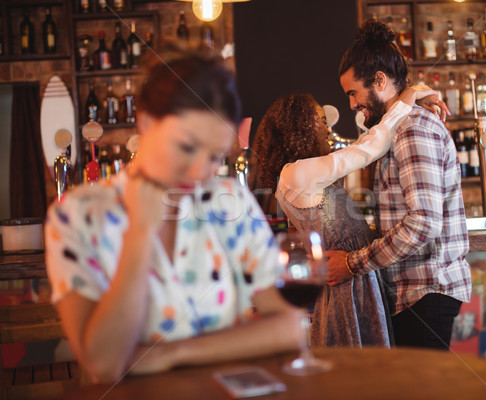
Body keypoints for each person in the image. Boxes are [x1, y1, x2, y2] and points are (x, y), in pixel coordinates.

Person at [44, 51, 303, 383]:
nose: (199, 171)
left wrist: (171, 354)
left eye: (215, 156)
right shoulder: (78, 216)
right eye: (186, 146)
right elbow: (103, 364)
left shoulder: (228, 201)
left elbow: (289, 327)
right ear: (147, 122)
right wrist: (139, 232)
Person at [254, 86, 444, 347]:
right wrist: (407, 98)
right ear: (300, 127)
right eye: (321, 121)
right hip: (349, 282)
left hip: (354, 275)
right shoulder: (296, 173)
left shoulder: (301, 173)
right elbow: (368, 149)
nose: (328, 129)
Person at [326, 19, 471, 350]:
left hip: (426, 291)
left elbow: (422, 224)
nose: (352, 104)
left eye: (353, 92)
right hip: (416, 292)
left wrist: (352, 265)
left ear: (379, 80)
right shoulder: (398, 127)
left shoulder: (413, 128)